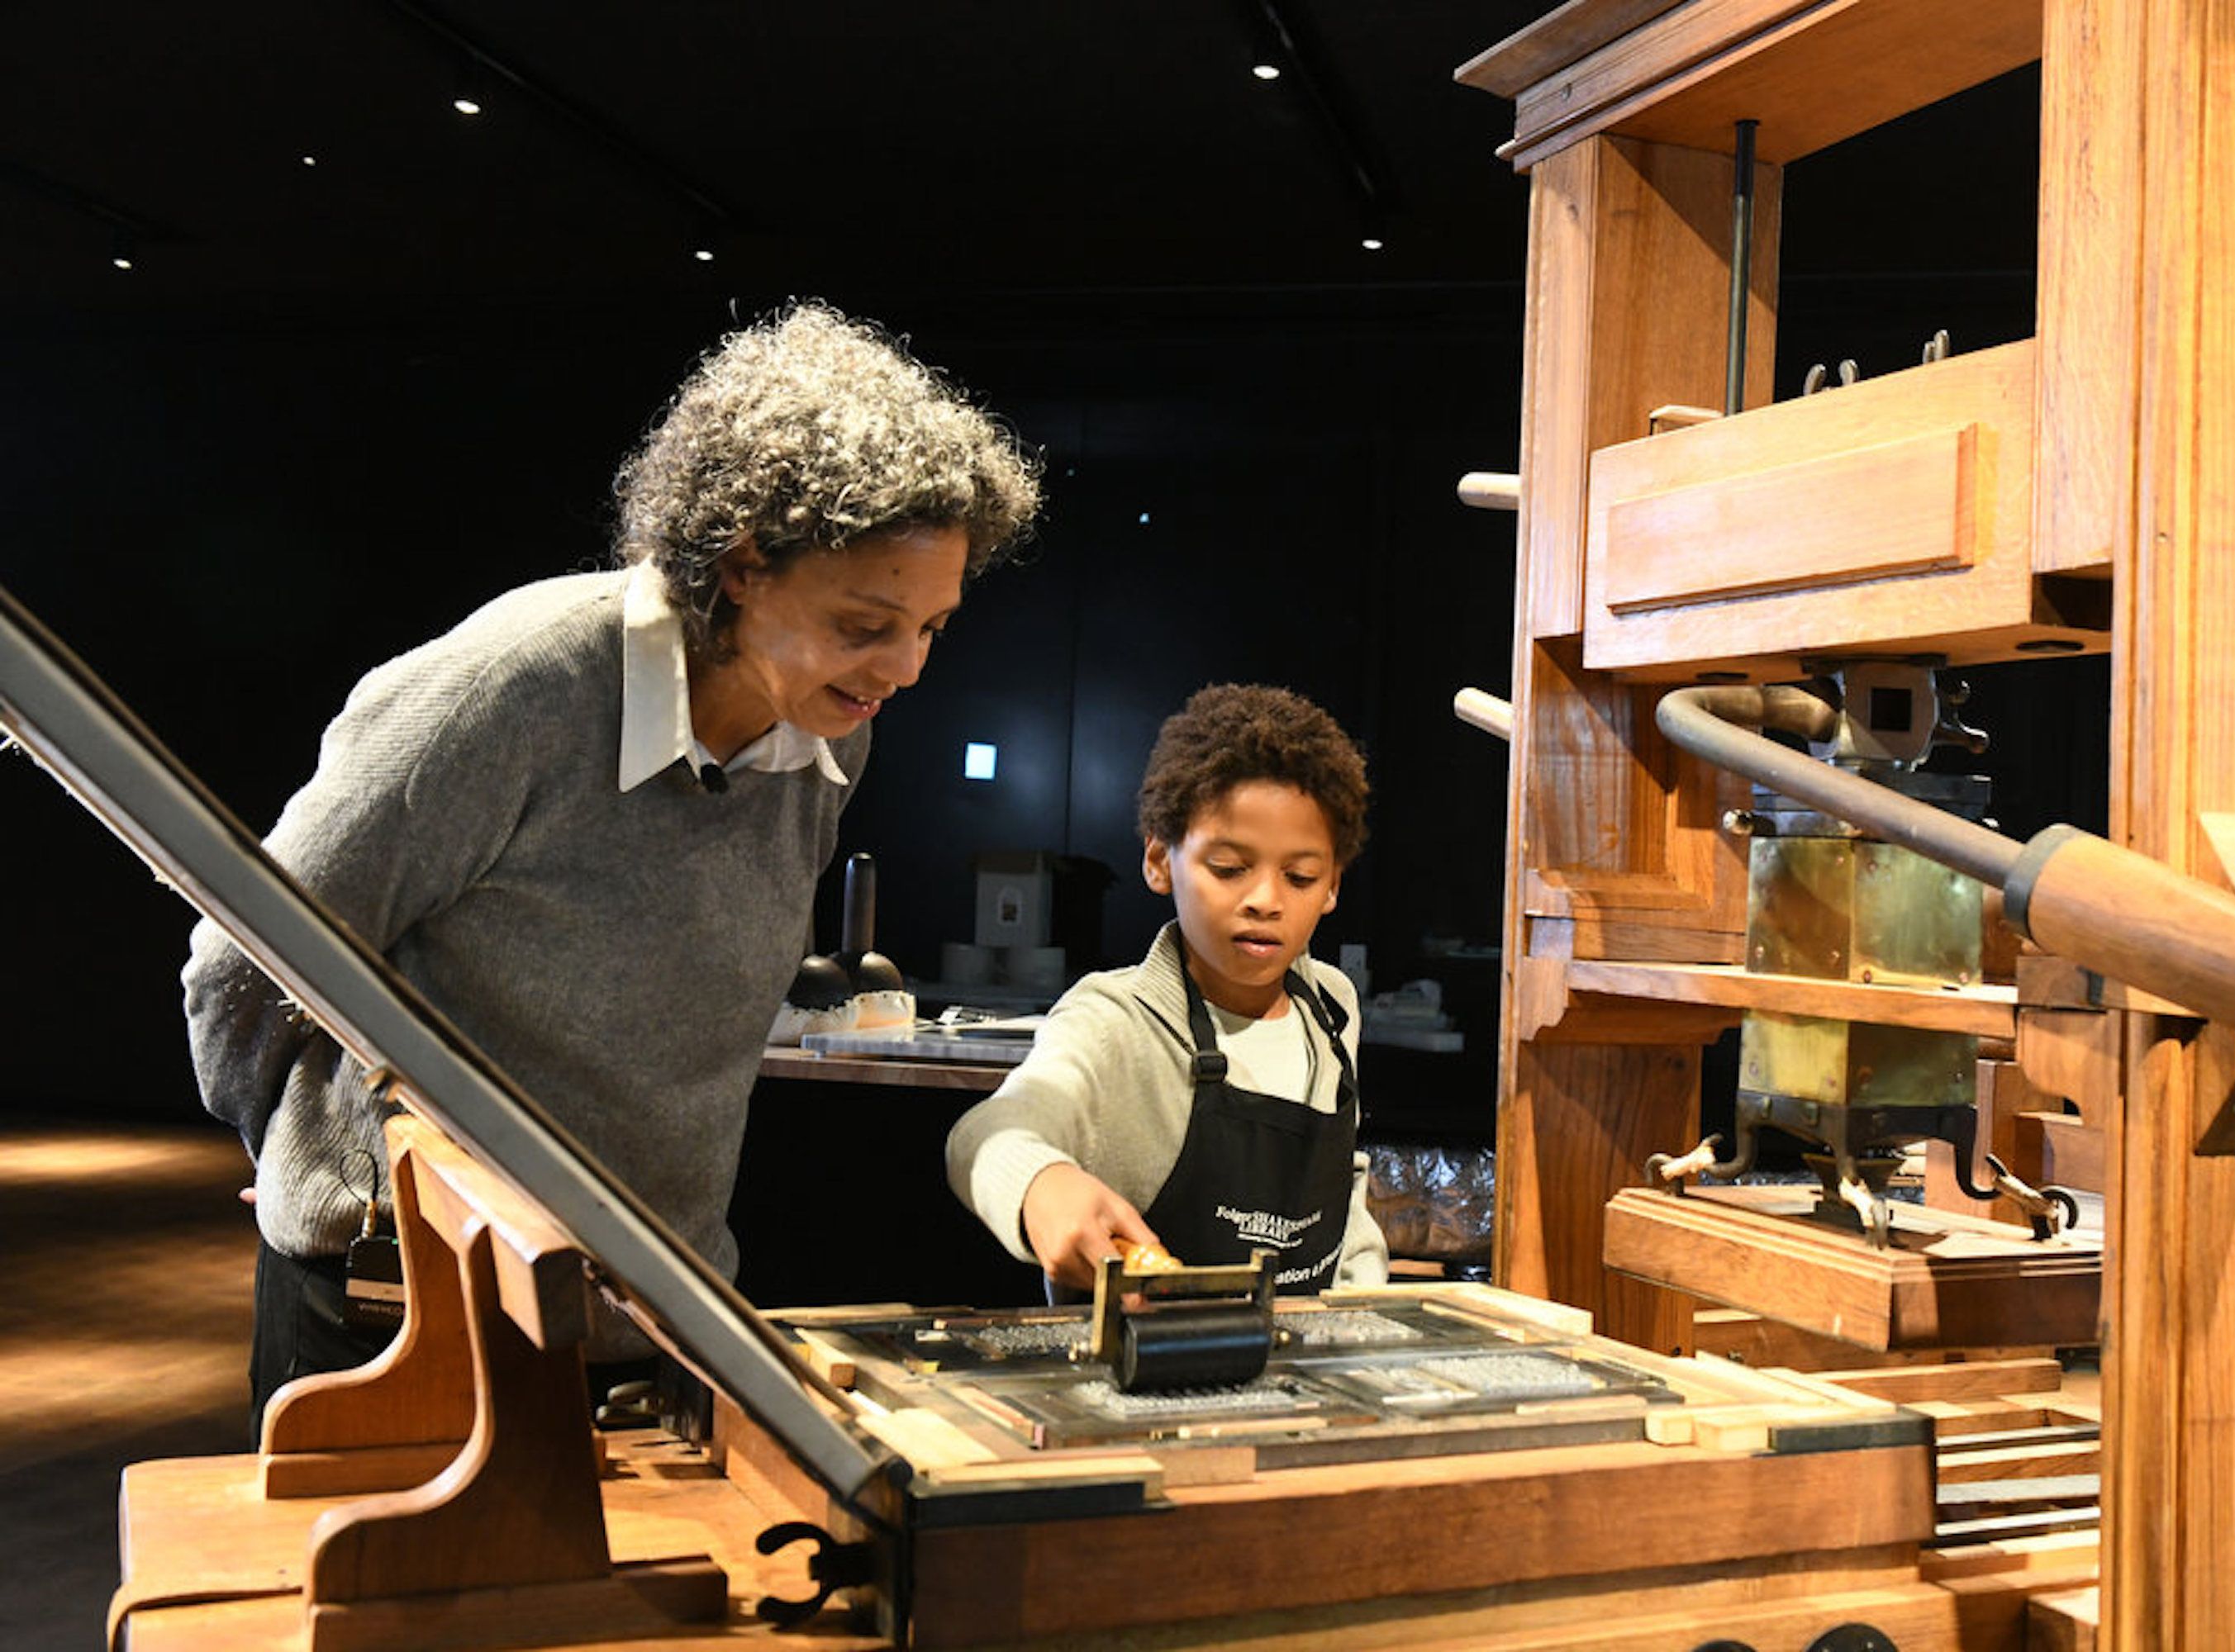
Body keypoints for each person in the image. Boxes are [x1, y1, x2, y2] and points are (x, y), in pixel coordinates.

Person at [183, 304, 1040, 1424]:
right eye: (867, 623)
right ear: (741, 564)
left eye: (934, 626)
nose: (908, 667)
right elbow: (241, 965)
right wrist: (311, 1160)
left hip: (648, 1311)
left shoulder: (835, 728)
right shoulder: (515, 691)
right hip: (399, 1308)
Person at [945, 682, 1388, 1295]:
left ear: (1333, 885)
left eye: (1300, 875)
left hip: (1303, 1374)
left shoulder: (1332, 1006)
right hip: (1134, 1377)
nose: (1265, 900)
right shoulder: (1115, 1020)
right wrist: (1041, 1180)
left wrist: (1367, 1314)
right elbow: (985, 1135)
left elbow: (1341, 1195)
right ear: (1159, 860)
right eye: (1229, 868)